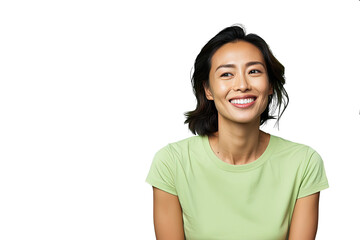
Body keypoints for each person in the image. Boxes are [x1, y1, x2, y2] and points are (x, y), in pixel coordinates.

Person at [145, 25, 329, 240]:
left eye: (254, 71)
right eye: (226, 74)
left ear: (270, 84)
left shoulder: (303, 163)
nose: (242, 85)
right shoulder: (172, 162)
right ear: (208, 90)